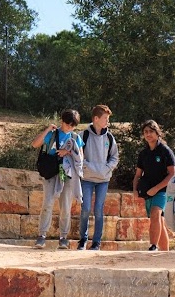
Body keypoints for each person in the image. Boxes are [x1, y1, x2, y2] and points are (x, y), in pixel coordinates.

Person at [30, 109, 84, 250]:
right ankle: (42, 235)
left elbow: (80, 157)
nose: (69, 127)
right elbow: (35, 144)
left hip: (67, 174)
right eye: (67, 124)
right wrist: (48, 129)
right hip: (51, 172)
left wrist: (67, 152)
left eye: (73, 125)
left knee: (65, 206)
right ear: (62, 121)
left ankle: (63, 238)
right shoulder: (53, 134)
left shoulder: (75, 137)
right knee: (47, 203)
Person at [77, 105, 119, 251]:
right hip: (87, 179)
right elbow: (78, 156)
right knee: (86, 208)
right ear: (96, 119)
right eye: (105, 118)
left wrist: (106, 168)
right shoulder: (83, 135)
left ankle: (96, 243)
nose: (107, 121)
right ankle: (83, 240)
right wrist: (88, 167)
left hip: (103, 180)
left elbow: (115, 157)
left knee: (99, 210)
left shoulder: (109, 137)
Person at [133, 120, 175, 251]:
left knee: (155, 213)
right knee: (159, 220)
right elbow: (138, 175)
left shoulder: (165, 151)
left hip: (163, 190)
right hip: (148, 191)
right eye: (145, 132)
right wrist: (135, 189)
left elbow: (172, 174)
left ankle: (153, 245)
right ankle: (165, 253)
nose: (148, 134)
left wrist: (156, 188)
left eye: (151, 131)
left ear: (157, 133)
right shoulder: (143, 153)